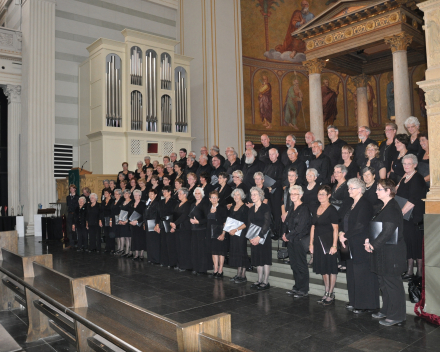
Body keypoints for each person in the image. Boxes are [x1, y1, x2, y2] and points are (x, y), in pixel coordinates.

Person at [364, 179, 406, 326]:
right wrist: (369, 241)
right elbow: (378, 228)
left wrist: (373, 245)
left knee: (393, 284)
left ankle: (397, 315)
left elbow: (388, 231)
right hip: (383, 251)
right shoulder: (384, 207)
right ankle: (387, 309)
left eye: (379, 189)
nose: (376, 191)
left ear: (389, 191)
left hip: (392, 252)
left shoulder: (392, 208)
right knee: (384, 282)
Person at [339, 178, 379, 313]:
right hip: (349, 243)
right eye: (349, 188)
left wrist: (345, 235)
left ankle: (365, 304)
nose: (349, 190)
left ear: (360, 189)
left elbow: (360, 225)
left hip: (360, 243)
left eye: (352, 188)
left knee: (362, 274)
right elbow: (341, 219)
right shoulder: (350, 203)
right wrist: (340, 232)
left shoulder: (365, 204)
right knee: (351, 274)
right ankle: (354, 301)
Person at [396, 154, 426, 279]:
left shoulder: (418, 178)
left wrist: (401, 212)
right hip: (406, 217)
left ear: (415, 165)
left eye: (409, 163)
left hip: (415, 217)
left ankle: (419, 273)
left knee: (416, 243)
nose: (406, 166)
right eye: (404, 164)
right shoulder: (404, 178)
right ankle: (409, 271)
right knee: (407, 242)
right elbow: (397, 193)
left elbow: (413, 199)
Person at [309, 185, 339, 305]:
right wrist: (311, 243)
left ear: (329, 195)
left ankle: (331, 293)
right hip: (317, 242)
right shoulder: (316, 208)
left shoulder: (332, 210)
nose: (320, 196)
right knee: (323, 268)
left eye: (323, 194)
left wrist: (334, 245)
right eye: (319, 194)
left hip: (328, 242)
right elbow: (312, 227)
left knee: (330, 268)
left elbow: (336, 229)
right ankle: (326, 291)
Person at [282, 185, 311, 298]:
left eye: (295, 194)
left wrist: (288, 235)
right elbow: (286, 223)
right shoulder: (291, 207)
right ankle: (297, 287)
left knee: (301, 264)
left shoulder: (304, 208)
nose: (293, 196)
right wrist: (284, 234)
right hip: (291, 240)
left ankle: (304, 289)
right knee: (294, 265)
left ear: (301, 195)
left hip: (299, 240)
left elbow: (301, 227)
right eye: (291, 194)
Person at [248, 187, 272, 290]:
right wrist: (251, 237)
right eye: (251, 194)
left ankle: (266, 282)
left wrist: (259, 237)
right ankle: (259, 280)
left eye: (255, 194)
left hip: (264, 236)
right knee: (257, 258)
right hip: (254, 237)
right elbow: (249, 223)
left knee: (265, 258)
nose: (252, 196)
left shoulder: (265, 207)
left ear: (260, 196)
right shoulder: (251, 208)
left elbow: (267, 223)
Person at [227, 189, 249, 283]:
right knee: (236, 251)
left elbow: (247, 223)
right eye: (234, 195)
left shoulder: (245, 207)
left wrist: (236, 229)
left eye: (238, 195)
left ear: (242, 196)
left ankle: (243, 276)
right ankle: (238, 274)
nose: (236, 196)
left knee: (241, 252)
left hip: (241, 232)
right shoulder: (232, 207)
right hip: (233, 233)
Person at [207, 190, 228, 278]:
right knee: (214, 252)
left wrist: (223, 234)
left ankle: (220, 270)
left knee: (220, 252)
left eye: (216, 197)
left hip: (219, 232)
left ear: (218, 199)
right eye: (212, 197)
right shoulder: (208, 208)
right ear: (210, 199)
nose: (214, 199)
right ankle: (215, 269)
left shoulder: (222, 208)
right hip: (210, 233)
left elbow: (225, 222)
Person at [170, 188, 192, 271]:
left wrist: (174, 224)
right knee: (178, 247)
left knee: (184, 247)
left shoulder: (188, 204)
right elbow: (174, 214)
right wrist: (172, 224)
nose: (178, 195)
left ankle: (185, 265)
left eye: (180, 194)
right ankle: (179, 263)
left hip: (185, 228)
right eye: (178, 194)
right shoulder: (178, 204)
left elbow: (184, 216)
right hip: (178, 228)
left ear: (185, 195)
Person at [155, 186, 177, 268]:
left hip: (170, 223)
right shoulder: (161, 202)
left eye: (165, 191)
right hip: (162, 223)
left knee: (170, 243)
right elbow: (158, 214)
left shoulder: (174, 202)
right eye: (163, 191)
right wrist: (157, 224)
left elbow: (175, 214)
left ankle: (172, 262)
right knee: (163, 242)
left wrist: (173, 226)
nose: (164, 193)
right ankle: (164, 261)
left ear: (170, 192)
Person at [189, 187, 210, 275]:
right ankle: (196, 268)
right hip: (194, 229)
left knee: (201, 250)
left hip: (202, 229)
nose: (197, 195)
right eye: (196, 193)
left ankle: (202, 269)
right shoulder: (193, 204)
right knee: (195, 249)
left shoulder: (204, 204)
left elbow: (207, 218)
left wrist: (198, 222)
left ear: (202, 194)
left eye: (199, 193)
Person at [144, 189, 160, 264]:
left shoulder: (157, 203)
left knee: (154, 241)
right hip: (148, 223)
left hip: (153, 223)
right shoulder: (149, 203)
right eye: (149, 194)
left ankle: (156, 259)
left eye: (152, 194)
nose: (150, 195)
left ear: (155, 195)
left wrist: (157, 224)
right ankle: (150, 258)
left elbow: (157, 214)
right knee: (149, 241)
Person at [129, 189, 146, 260]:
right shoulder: (132, 204)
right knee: (134, 239)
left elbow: (144, 215)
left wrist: (137, 221)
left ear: (140, 196)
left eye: (137, 195)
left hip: (140, 224)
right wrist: (130, 221)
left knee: (141, 239)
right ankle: (136, 254)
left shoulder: (143, 204)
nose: (136, 196)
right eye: (135, 195)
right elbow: (129, 214)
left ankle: (141, 255)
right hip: (133, 224)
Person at [119, 190, 133, 257]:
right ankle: (126, 251)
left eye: (127, 193)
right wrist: (120, 220)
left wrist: (126, 220)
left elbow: (131, 213)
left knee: (128, 237)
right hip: (122, 221)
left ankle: (130, 252)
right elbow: (120, 212)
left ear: (130, 194)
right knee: (124, 236)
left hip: (128, 221)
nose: (125, 194)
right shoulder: (122, 202)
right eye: (124, 193)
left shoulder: (131, 202)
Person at [100, 188, 115, 254]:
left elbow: (112, 211)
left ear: (110, 194)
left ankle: (112, 248)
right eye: (104, 193)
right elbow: (101, 211)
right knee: (106, 234)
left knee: (111, 234)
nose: (105, 194)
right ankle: (107, 248)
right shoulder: (103, 201)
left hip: (110, 219)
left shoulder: (112, 201)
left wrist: (111, 220)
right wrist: (100, 220)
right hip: (104, 219)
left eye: (106, 193)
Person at [65, 184, 79, 250]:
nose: (71, 190)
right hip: (70, 214)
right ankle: (71, 243)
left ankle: (77, 243)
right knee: (69, 229)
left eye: (72, 188)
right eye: (70, 189)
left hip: (75, 214)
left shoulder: (77, 197)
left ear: (75, 189)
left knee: (75, 229)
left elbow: (76, 206)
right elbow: (68, 205)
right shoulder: (68, 197)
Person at [112, 189, 124, 254]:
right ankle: (118, 248)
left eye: (117, 194)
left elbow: (122, 210)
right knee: (116, 234)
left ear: (120, 194)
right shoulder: (114, 201)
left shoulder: (121, 201)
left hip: (119, 218)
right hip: (114, 218)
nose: (115, 195)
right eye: (114, 194)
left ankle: (121, 249)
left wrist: (120, 218)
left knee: (120, 234)